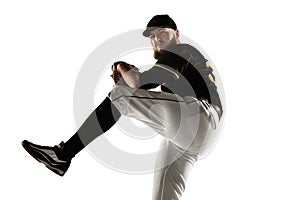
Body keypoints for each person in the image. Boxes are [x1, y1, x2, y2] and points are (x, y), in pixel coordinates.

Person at [22, 15, 223, 200]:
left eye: (162, 32)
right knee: (164, 196)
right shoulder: (179, 63)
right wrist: (130, 80)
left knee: (120, 95)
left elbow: (138, 82)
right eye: (152, 36)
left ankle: (63, 154)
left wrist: (119, 65)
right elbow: (142, 85)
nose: (157, 39)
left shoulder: (179, 51)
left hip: (200, 115)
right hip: (194, 135)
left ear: (176, 33)